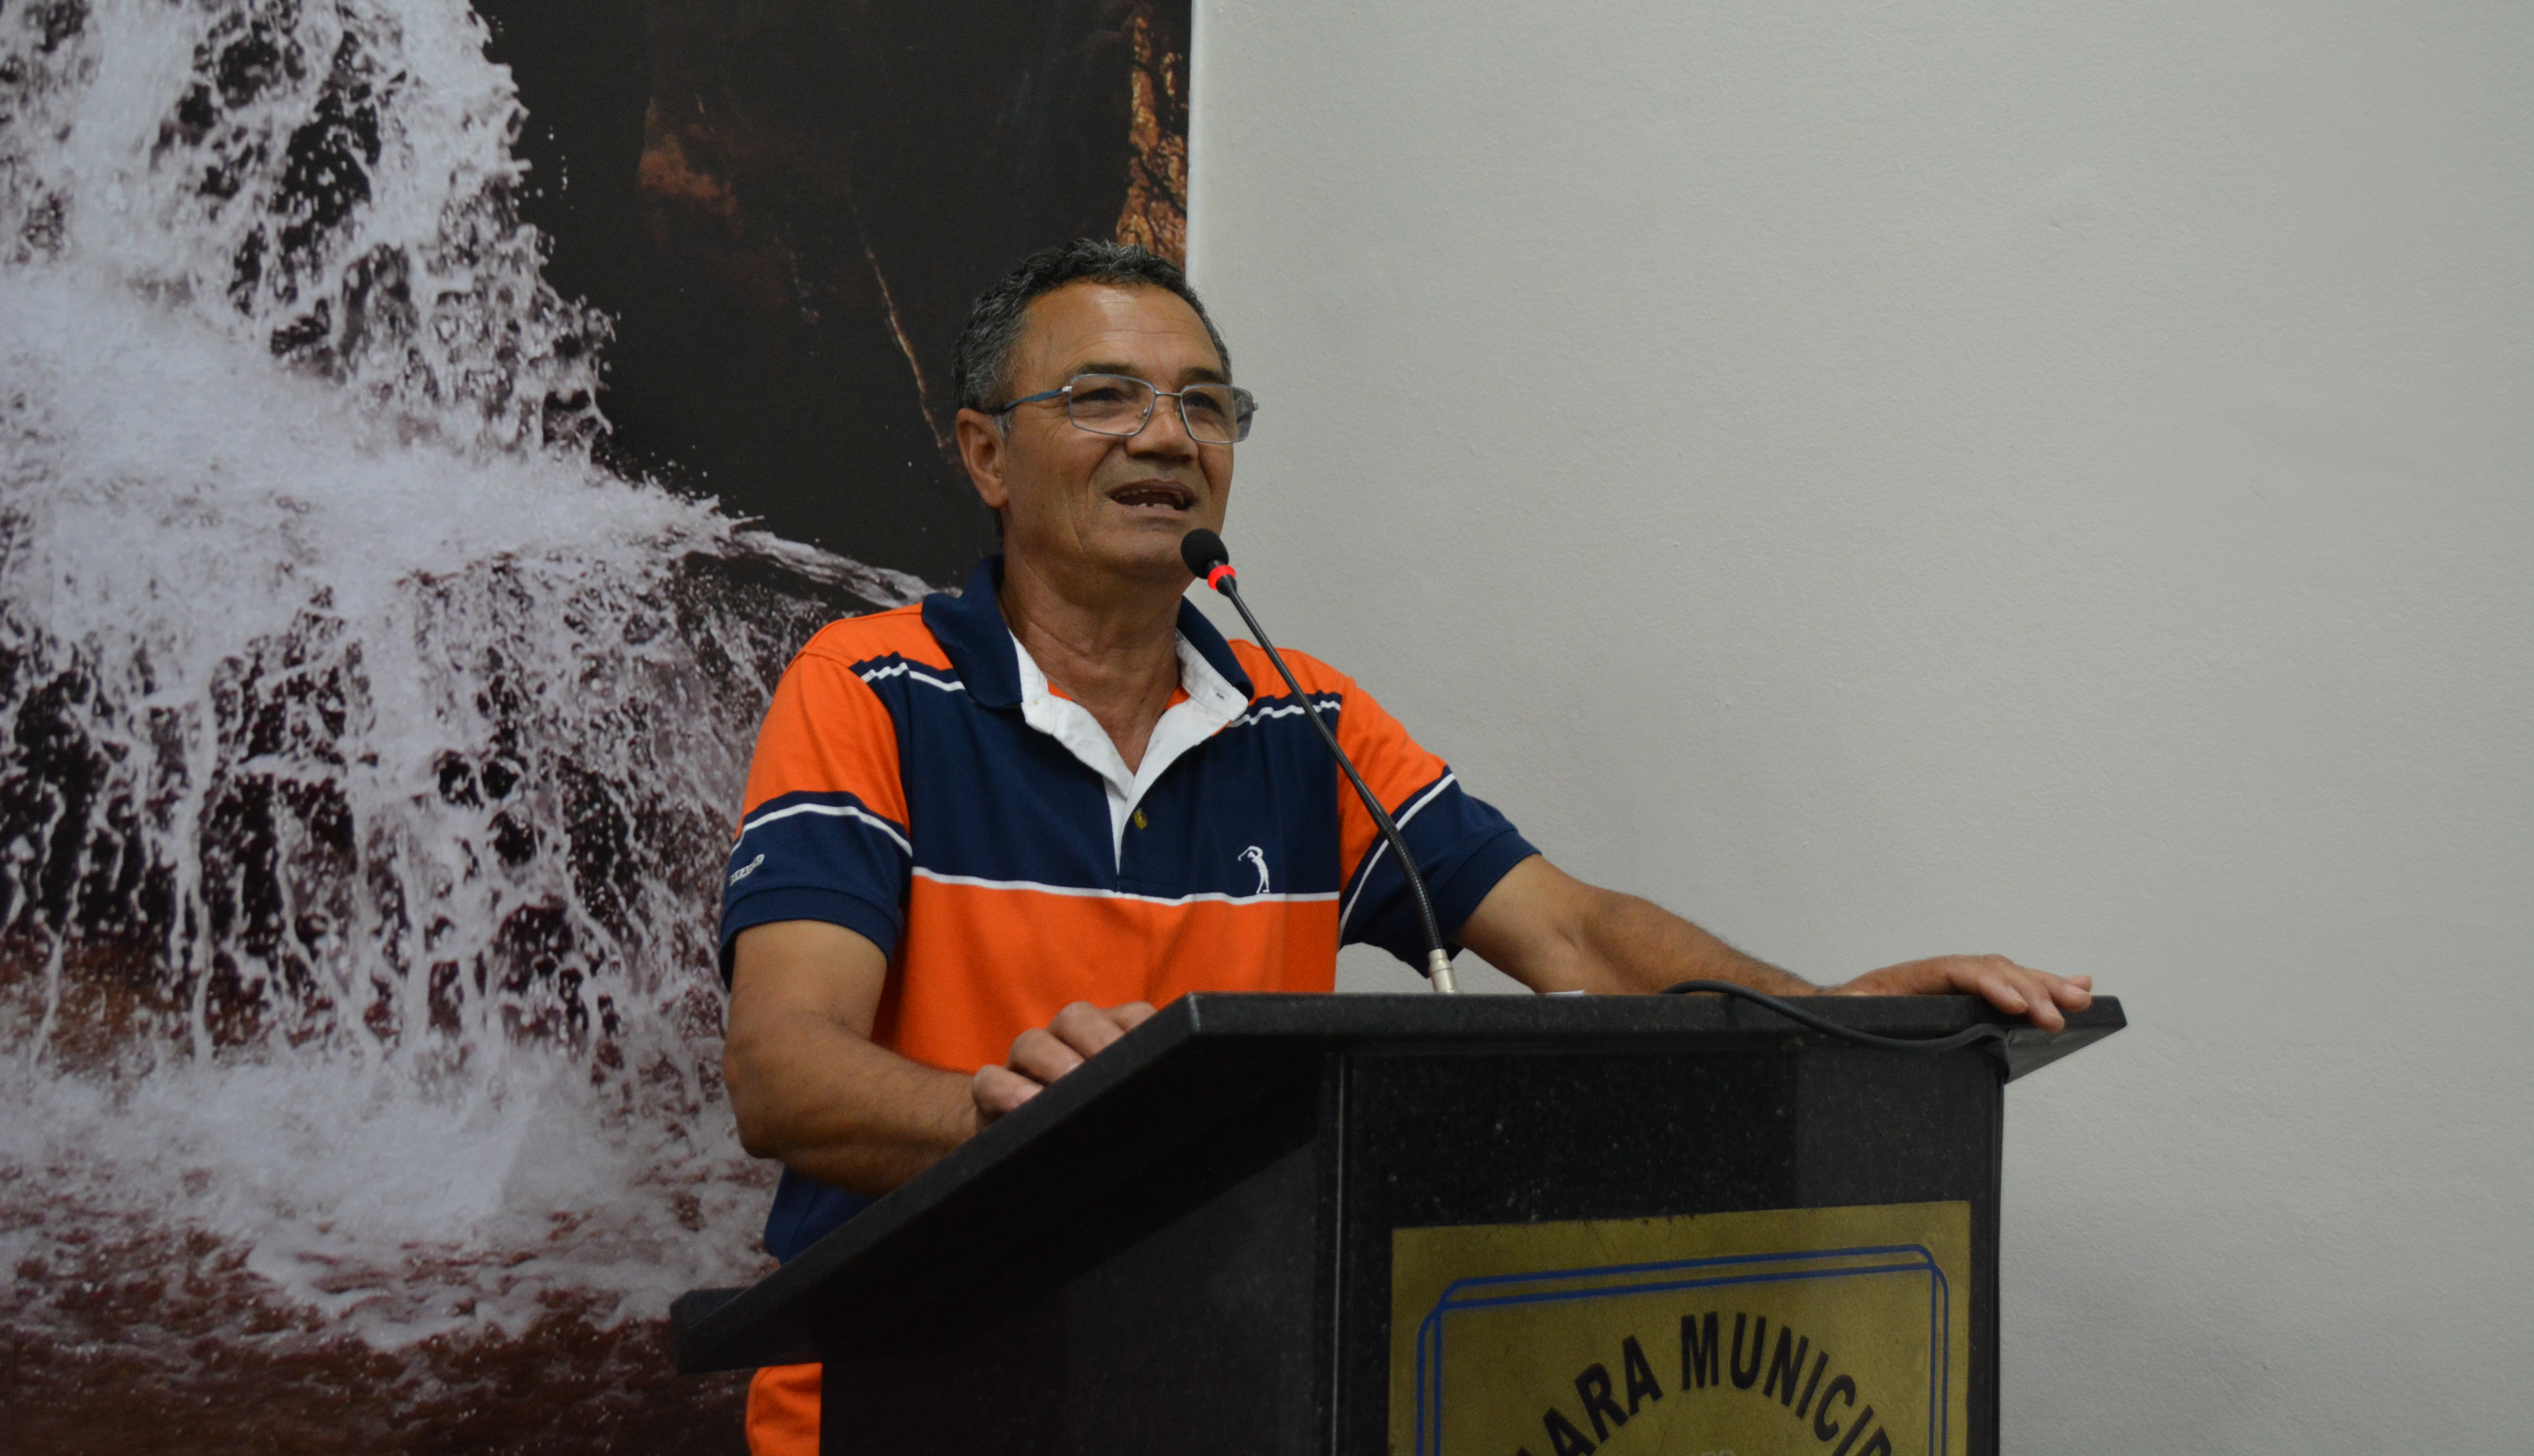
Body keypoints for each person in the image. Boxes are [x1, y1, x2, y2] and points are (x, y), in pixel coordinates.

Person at [715, 239, 2091, 1455]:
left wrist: (1830, 1021)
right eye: (1104, 397)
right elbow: (783, 1072)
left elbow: (1571, 935)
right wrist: (1001, 1127)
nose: (1165, 436)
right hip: (903, 1390)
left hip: (1222, 1387)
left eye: (1206, 404)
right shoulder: (868, 691)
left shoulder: (1303, 717)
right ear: (984, 455)